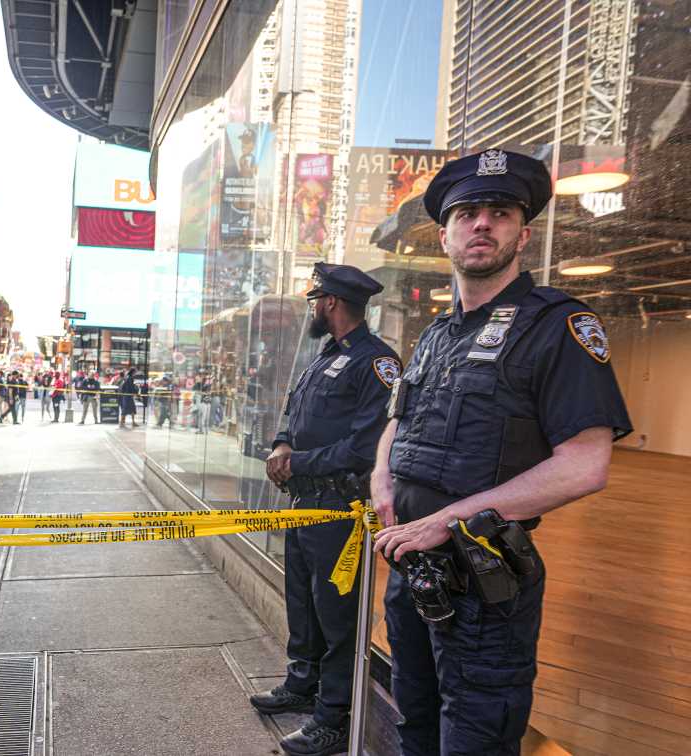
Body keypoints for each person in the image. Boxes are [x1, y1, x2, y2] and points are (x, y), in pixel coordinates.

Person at [370, 150, 632, 756]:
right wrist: (382, 477)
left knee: (476, 731)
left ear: (523, 232)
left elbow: (584, 464)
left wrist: (444, 520)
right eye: (467, 214)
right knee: (415, 716)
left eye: (499, 212)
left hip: (483, 574)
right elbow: (395, 420)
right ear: (445, 235)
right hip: (414, 565)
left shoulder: (558, 326)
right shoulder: (437, 334)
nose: (481, 223)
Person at [252, 261, 400, 756]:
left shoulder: (376, 362)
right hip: (305, 505)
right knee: (303, 604)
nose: (313, 308)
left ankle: (334, 717)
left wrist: (297, 464)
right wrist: (280, 446)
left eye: (316, 300)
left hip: (342, 509)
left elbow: (366, 446)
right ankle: (302, 685)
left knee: (337, 617)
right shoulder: (324, 355)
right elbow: (294, 413)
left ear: (331, 303)